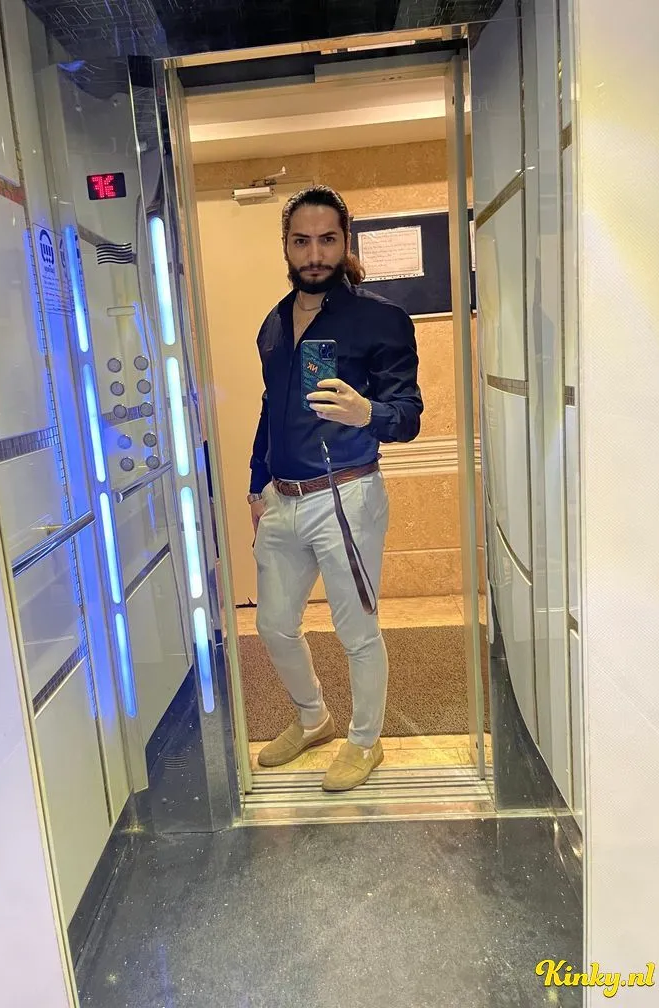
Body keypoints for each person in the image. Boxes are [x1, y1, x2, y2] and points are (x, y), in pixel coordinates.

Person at [248, 185, 423, 791]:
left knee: (357, 631)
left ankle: (365, 741)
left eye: (327, 240)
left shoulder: (380, 319)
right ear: (286, 245)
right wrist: (255, 486)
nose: (315, 254)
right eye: (302, 241)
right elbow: (270, 409)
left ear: (345, 242)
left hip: (346, 495)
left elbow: (408, 415)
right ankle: (313, 719)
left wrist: (365, 412)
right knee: (273, 625)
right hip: (283, 498)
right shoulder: (274, 322)